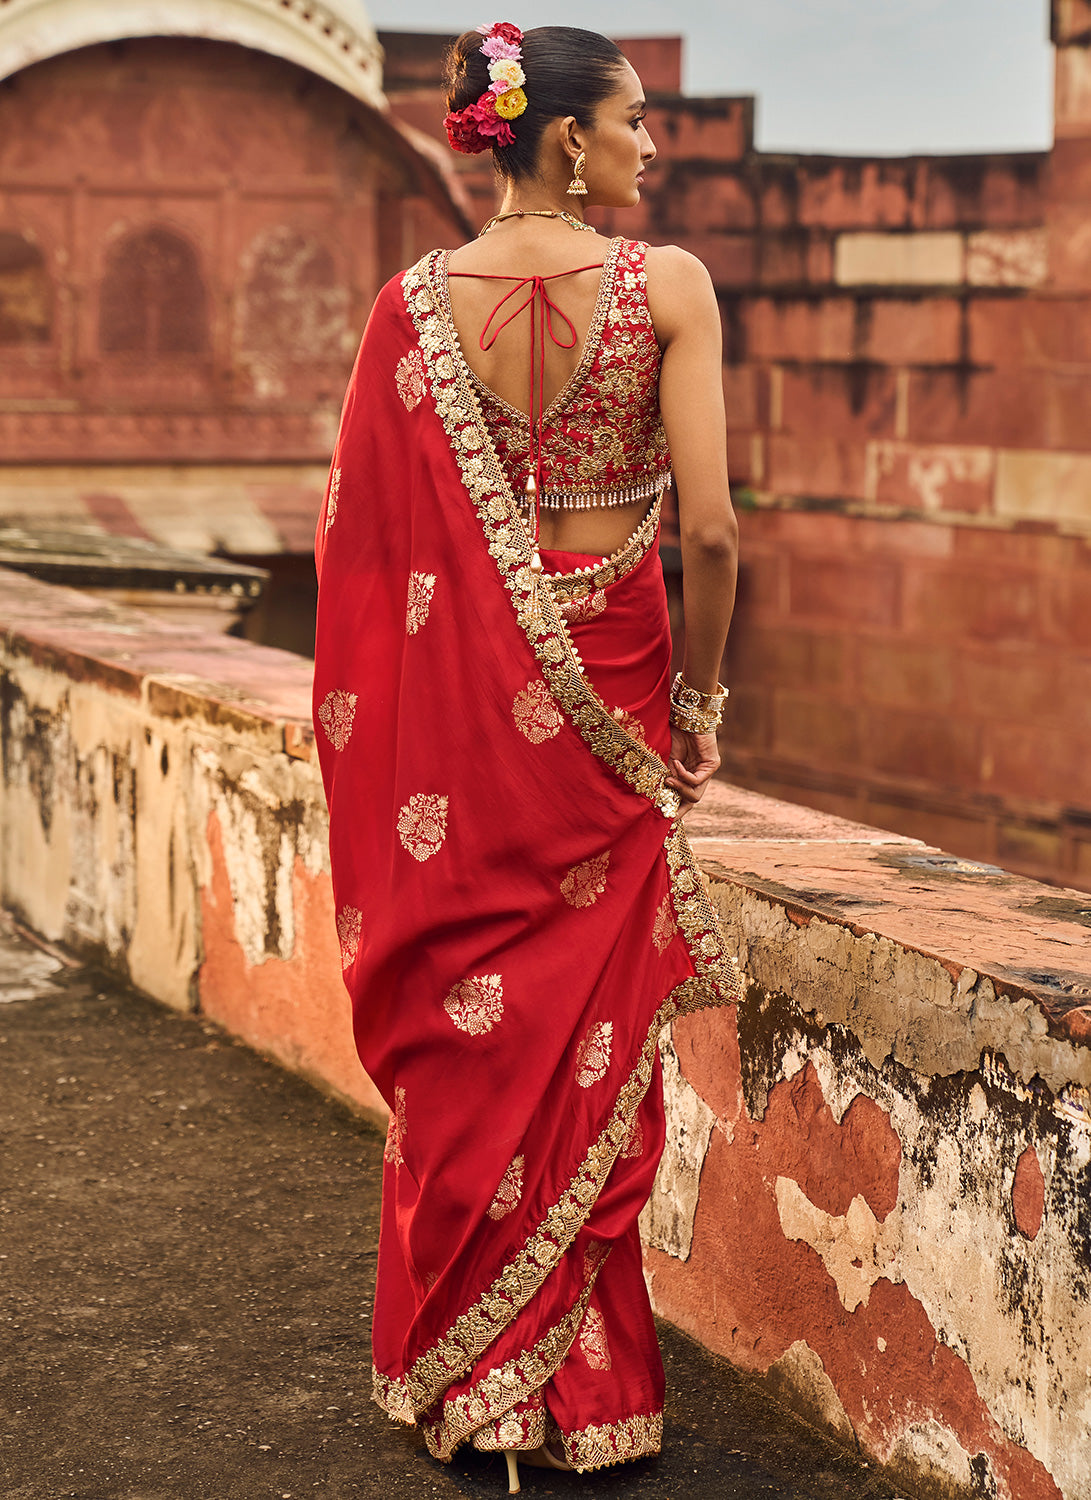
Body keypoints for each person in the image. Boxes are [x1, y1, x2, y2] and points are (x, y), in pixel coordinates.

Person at [311, 21, 739, 1491]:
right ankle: (584, 1397)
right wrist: (698, 712)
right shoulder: (665, 289)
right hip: (614, 713)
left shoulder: (411, 307)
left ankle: (478, 1387)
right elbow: (720, 531)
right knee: (587, 1044)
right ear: (566, 137)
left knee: (481, 1028)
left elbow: (368, 561)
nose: (649, 144)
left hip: (464, 741)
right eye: (635, 121)